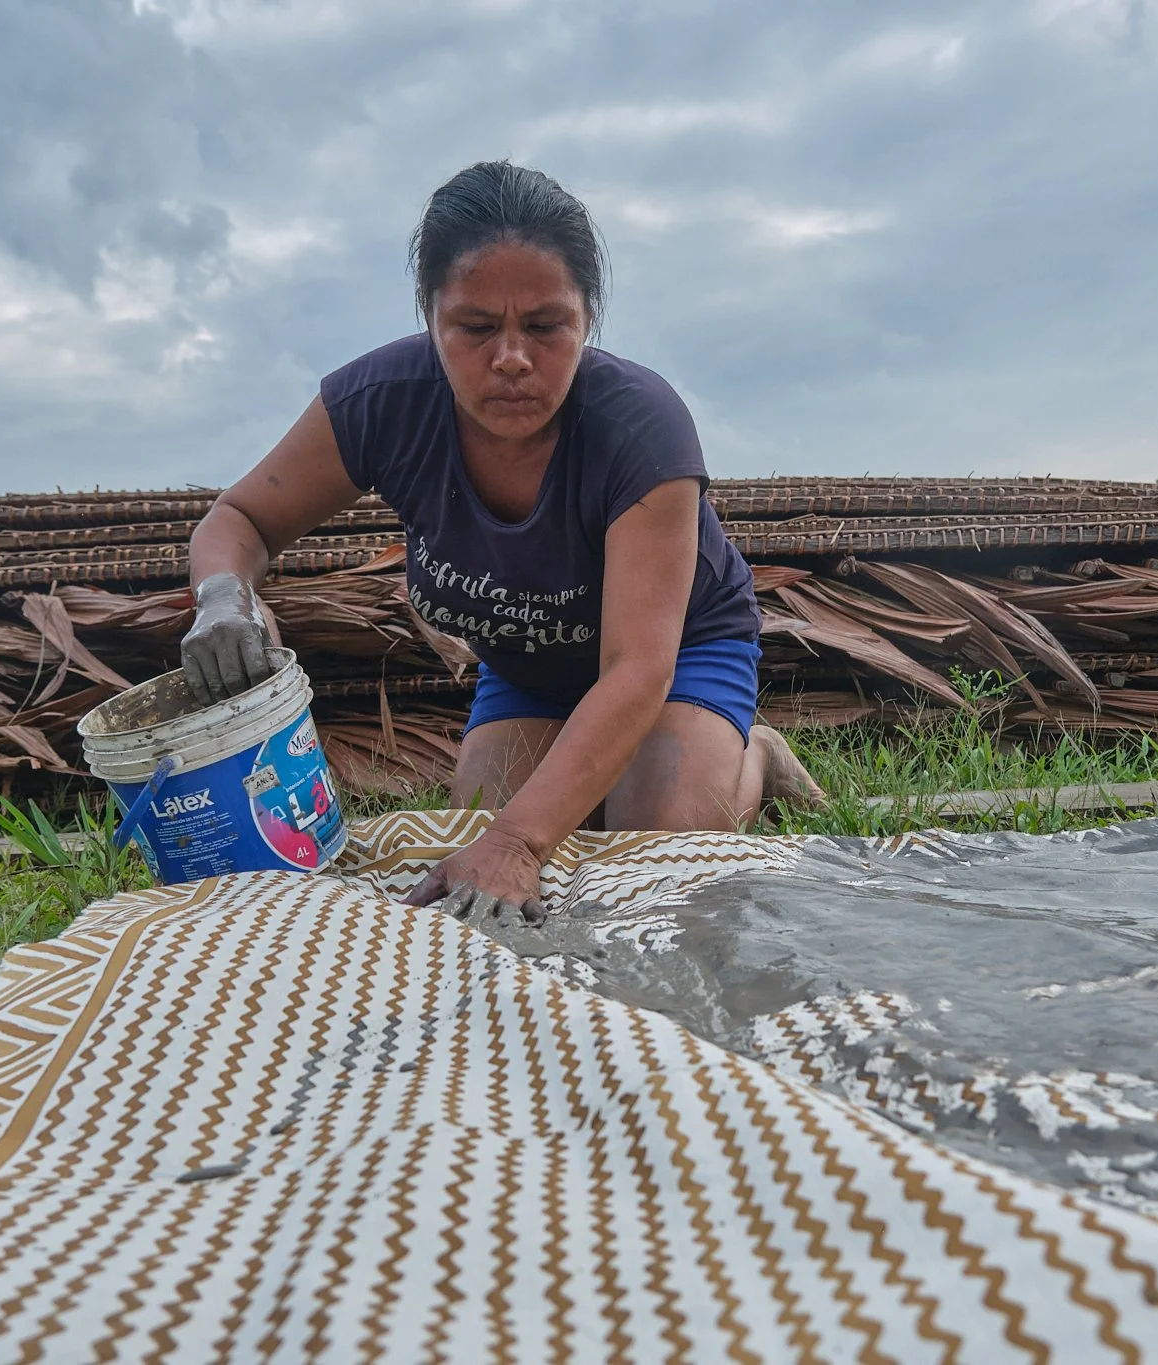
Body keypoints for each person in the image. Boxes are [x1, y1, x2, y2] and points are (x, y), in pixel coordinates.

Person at [182, 161, 824, 926]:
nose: (511, 358)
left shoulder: (641, 430)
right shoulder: (381, 404)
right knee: (472, 825)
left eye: (545, 326)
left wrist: (519, 841)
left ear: (587, 320)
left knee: (656, 854)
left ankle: (751, 756)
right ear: (432, 320)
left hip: (675, 654)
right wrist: (224, 595)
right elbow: (240, 520)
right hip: (530, 665)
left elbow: (636, 667)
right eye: (476, 328)